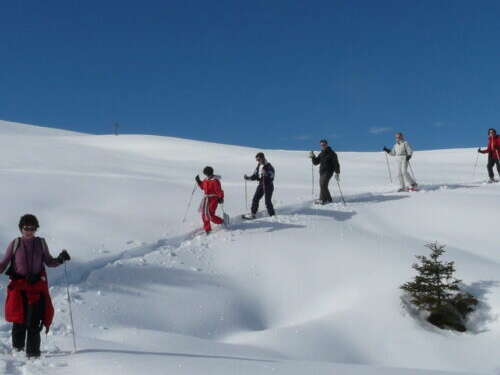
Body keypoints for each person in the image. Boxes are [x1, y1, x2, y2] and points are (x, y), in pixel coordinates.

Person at [0, 214, 70, 358]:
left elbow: (49, 261)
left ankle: (33, 354)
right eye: (26, 228)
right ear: (21, 229)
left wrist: (60, 259)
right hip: (18, 287)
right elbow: (4, 263)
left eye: (32, 228)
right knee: (18, 319)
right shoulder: (15, 244)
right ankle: (18, 349)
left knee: (34, 321)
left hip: (36, 287)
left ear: (36, 229)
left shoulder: (41, 243)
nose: (29, 231)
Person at [243, 152, 275, 219]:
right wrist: (248, 178)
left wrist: (266, 174)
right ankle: (253, 214)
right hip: (261, 185)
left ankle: (272, 216)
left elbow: (272, 176)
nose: (257, 161)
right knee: (255, 199)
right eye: (257, 160)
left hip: (268, 186)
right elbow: (255, 176)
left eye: (258, 159)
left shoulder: (269, 166)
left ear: (262, 158)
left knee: (267, 201)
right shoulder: (258, 166)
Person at [309, 139, 341, 205]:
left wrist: (337, 173)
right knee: (322, 185)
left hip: (328, 172)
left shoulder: (332, 153)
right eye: (321, 145)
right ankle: (324, 199)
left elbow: (336, 163)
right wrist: (313, 157)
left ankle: (326, 200)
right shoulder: (321, 154)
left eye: (324, 145)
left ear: (327, 144)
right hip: (322, 172)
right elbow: (316, 162)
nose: (323, 146)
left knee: (323, 184)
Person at [195, 166, 225, 234]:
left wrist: (221, 198)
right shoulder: (206, 179)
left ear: (210, 173)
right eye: (205, 174)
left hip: (213, 199)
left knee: (210, 214)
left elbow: (219, 190)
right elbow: (203, 187)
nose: (206, 175)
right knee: (204, 214)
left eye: (207, 174)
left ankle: (221, 221)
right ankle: (207, 229)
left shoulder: (215, 181)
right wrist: (199, 181)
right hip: (206, 199)